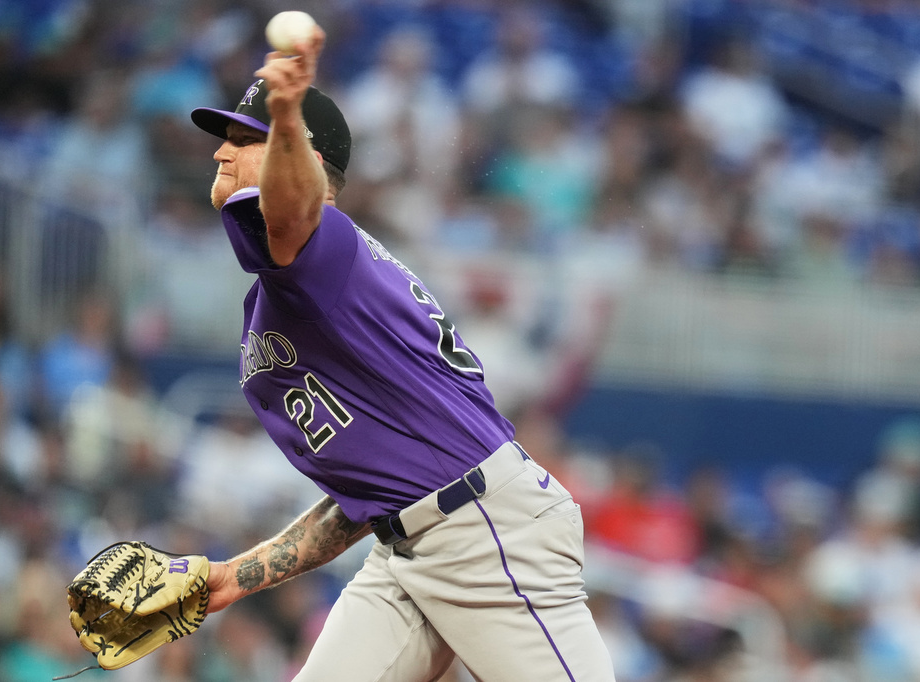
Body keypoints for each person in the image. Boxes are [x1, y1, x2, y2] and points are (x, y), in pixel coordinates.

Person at [188, 23, 616, 682]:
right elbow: (371, 491)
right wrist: (231, 578)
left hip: (485, 530)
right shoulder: (293, 287)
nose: (223, 153)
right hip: (407, 542)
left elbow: (294, 210)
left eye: (247, 142)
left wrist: (284, 116)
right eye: (229, 137)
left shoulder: (322, 247)